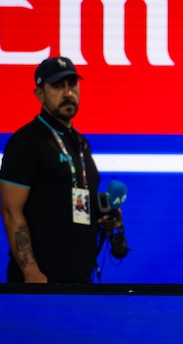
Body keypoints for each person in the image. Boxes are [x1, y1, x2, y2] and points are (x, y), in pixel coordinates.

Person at [0, 56, 112, 283]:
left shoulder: (81, 144)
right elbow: (11, 210)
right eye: (58, 86)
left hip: (79, 280)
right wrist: (30, 270)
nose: (68, 92)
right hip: (41, 280)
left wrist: (101, 217)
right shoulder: (26, 141)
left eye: (72, 84)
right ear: (39, 94)